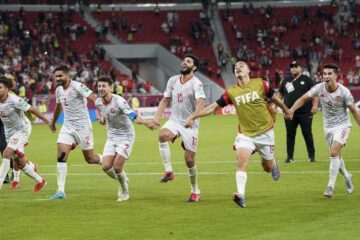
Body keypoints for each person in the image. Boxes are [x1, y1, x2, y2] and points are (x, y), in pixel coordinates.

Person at [185, 61, 290, 208]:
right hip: (245, 134)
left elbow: (275, 99)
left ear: (248, 71)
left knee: (266, 167)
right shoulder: (231, 92)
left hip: (266, 133)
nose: (238, 68)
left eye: (241, 66)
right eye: (235, 67)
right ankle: (240, 195)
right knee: (241, 161)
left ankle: (273, 163)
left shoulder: (261, 84)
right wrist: (193, 117)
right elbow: (213, 108)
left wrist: (287, 110)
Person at [286, 63, 360, 197]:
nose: (326, 76)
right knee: (336, 155)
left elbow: (354, 111)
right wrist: (291, 110)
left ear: (336, 76)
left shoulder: (344, 92)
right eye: (324, 74)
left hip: (343, 125)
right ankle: (347, 176)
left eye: (329, 74)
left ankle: (330, 187)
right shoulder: (319, 88)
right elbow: (303, 98)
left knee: (333, 151)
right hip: (328, 127)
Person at [149, 54, 206, 202]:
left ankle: (195, 190)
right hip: (174, 120)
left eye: (188, 61)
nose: (183, 63)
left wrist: (193, 117)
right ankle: (168, 171)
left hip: (190, 124)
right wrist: (156, 118)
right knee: (162, 135)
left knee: (189, 160)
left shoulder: (196, 83)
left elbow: (201, 103)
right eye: (183, 61)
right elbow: (165, 100)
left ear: (194, 67)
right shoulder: (173, 80)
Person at [49, 65, 102, 200]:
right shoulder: (59, 90)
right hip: (67, 126)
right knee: (61, 154)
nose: (58, 79)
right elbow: (58, 107)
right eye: (56, 76)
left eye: (60, 76)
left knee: (90, 159)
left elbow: (93, 97)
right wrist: (53, 122)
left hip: (83, 127)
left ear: (68, 75)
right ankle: (60, 190)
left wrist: (102, 112)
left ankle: (104, 159)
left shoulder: (78, 86)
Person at [95, 76, 152, 201]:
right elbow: (102, 112)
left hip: (126, 136)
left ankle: (125, 192)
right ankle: (124, 179)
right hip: (111, 137)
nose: (101, 88)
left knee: (117, 167)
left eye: (104, 86)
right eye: (99, 86)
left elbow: (132, 115)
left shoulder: (119, 101)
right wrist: (102, 118)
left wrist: (145, 122)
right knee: (105, 166)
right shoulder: (98, 102)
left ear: (110, 88)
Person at [0, 77, 50, 191]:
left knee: (6, 153)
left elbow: (32, 109)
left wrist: (47, 121)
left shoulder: (14, 100)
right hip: (9, 133)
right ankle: (41, 181)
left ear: (7, 89)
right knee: (20, 163)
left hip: (21, 130)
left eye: (0, 87)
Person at [278, 61, 317, 163]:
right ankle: (290, 157)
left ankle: (311, 156)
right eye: (291, 67)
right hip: (289, 113)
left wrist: (315, 105)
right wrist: (275, 106)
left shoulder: (307, 80)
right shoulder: (286, 80)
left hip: (305, 112)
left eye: (295, 66)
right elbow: (280, 94)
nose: (293, 68)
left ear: (301, 68)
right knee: (290, 135)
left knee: (307, 134)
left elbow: (315, 93)